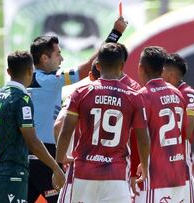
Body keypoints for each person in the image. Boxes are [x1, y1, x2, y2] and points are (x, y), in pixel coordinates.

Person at [27, 17, 128, 203]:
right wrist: (116, 33)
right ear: (44, 58)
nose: (62, 59)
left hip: (26, 156)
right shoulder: (50, 80)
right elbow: (89, 66)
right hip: (46, 156)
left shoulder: (27, 79)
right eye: (58, 54)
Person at [56, 43, 150, 203]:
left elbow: (64, 131)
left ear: (98, 66)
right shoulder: (133, 97)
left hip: (84, 174)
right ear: (122, 66)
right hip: (116, 175)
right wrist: (145, 167)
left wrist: (58, 164)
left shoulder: (81, 93)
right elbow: (143, 138)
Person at [0, 51, 65, 203]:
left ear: (8, 72)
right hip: (13, 173)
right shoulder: (21, 99)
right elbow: (32, 141)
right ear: (31, 71)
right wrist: (56, 167)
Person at [134, 46, 188, 203]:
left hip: (155, 175)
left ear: (141, 68)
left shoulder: (143, 96)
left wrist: (143, 165)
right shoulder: (177, 93)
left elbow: (142, 137)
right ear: (162, 68)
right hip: (177, 173)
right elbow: (184, 133)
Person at [54, 59, 100, 203]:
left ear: (91, 76)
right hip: (111, 173)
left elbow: (58, 125)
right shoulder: (126, 93)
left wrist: (61, 158)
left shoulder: (79, 94)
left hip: (80, 170)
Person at [162, 53, 194, 203]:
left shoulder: (188, 94)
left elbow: (188, 131)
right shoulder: (161, 93)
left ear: (171, 75)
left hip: (180, 164)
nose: (159, 74)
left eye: (162, 70)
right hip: (162, 165)